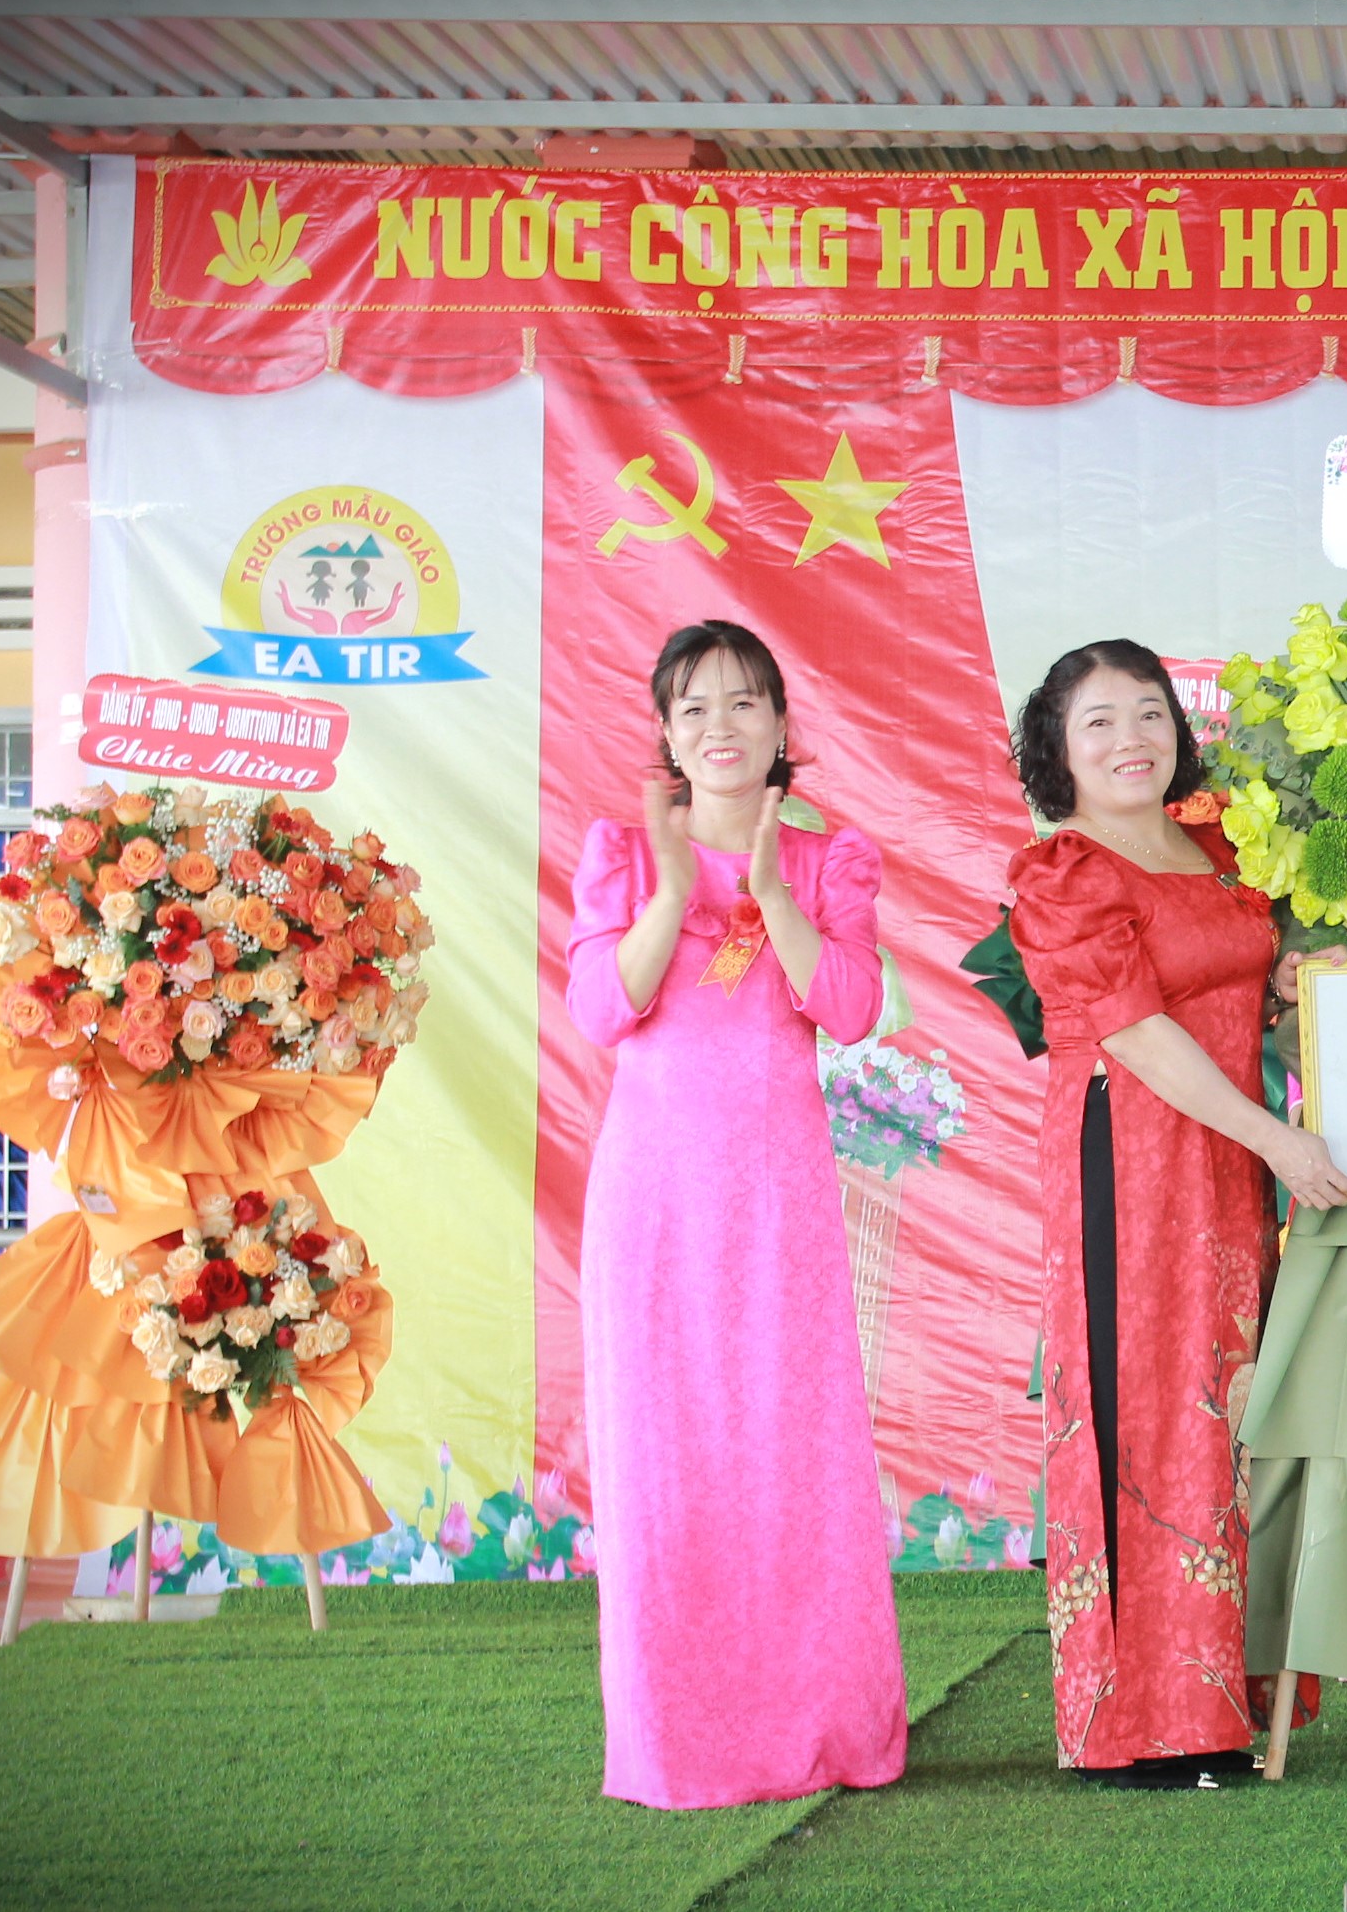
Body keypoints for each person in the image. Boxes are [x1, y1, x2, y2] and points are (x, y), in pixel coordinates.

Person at [1003, 639, 1347, 1788]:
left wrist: (1286, 985)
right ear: (1057, 748)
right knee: (1145, 1413)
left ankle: (1218, 1703)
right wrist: (1276, 1138)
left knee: (1227, 1410)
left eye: (1149, 713)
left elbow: (1229, 981)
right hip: (1133, 1163)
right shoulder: (1061, 871)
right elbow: (1137, 1032)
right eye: (1099, 721)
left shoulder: (1212, 846)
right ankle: (1137, 1725)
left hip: (1228, 1162)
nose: (1131, 739)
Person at [564, 620, 908, 1809]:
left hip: (777, 1204)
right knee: (663, 1460)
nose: (721, 725)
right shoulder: (619, 852)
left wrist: (767, 891)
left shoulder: (829, 860)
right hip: (655, 1200)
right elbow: (603, 1009)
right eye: (695, 707)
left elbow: (849, 1007)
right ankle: (677, 1744)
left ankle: (824, 1727)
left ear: (781, 726)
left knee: (790, 1454)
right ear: (666, 732)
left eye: (745, 702)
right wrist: (674, 889)